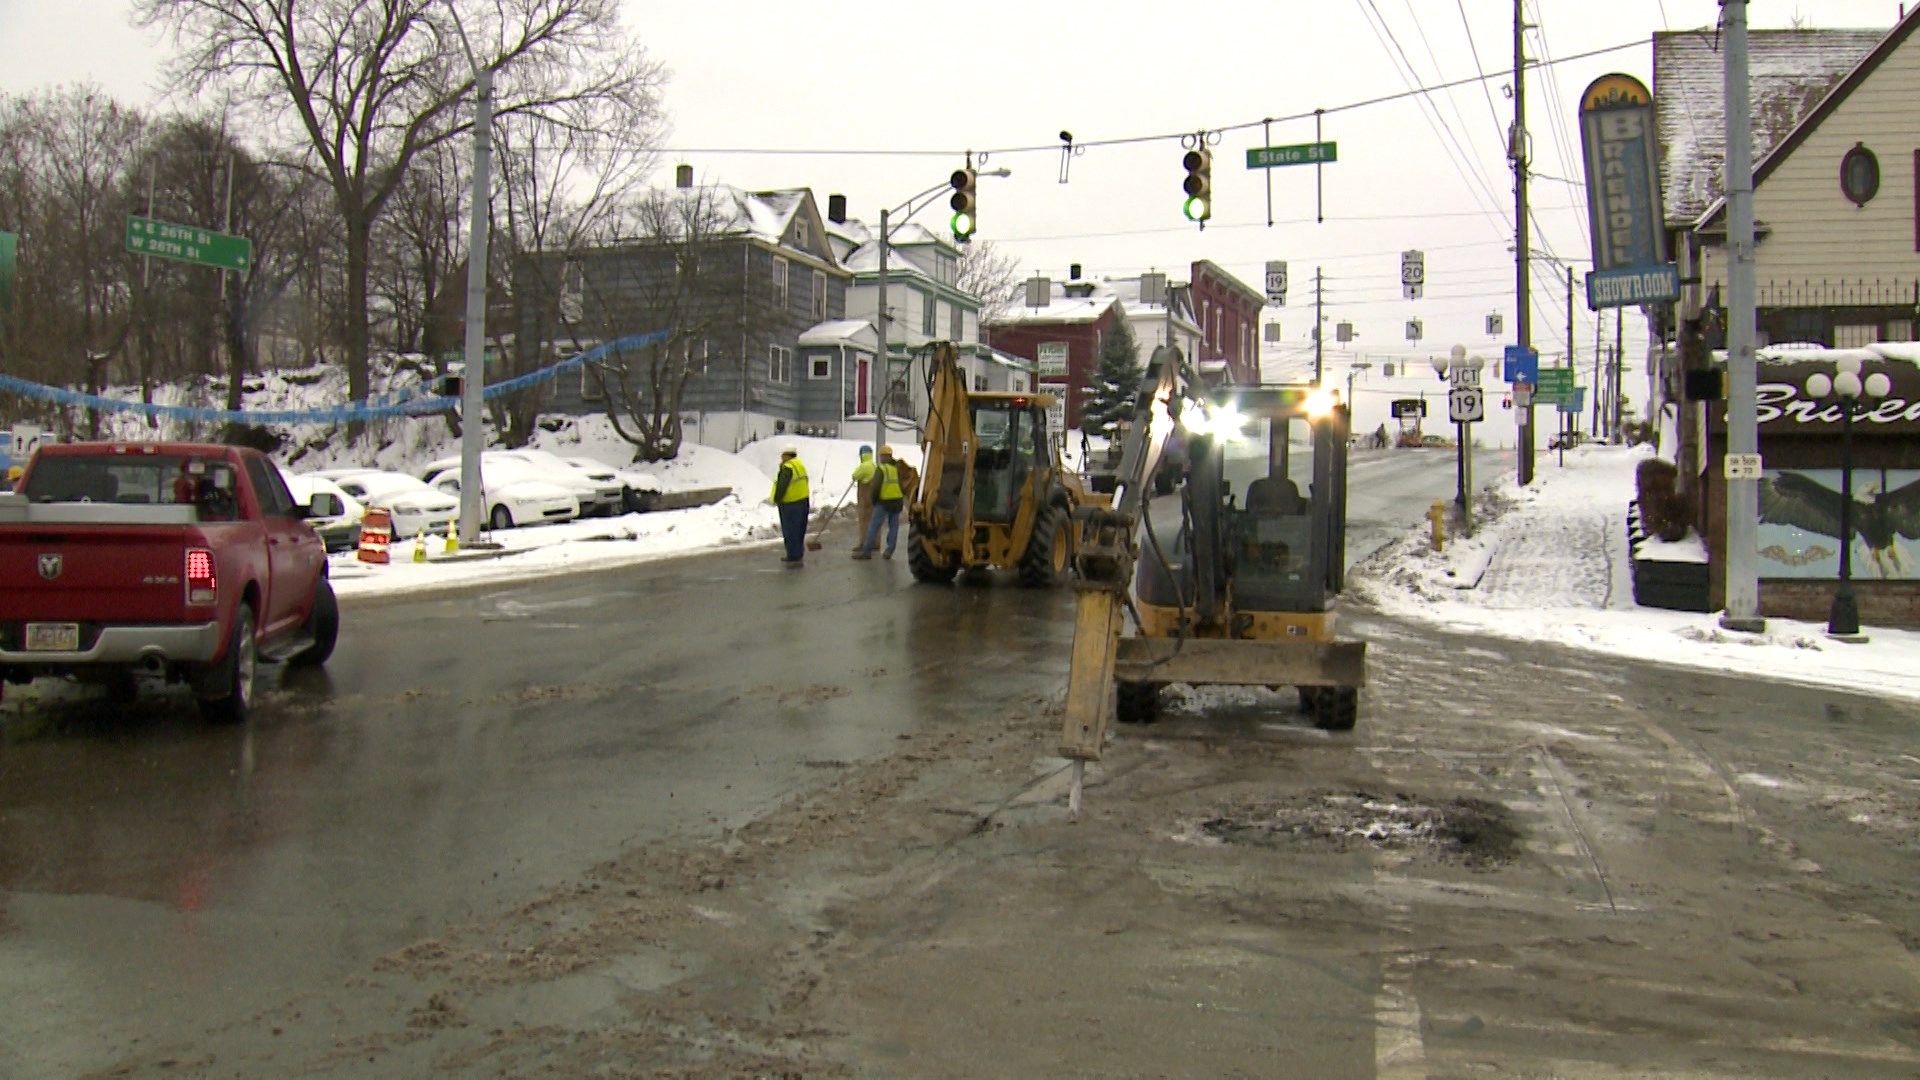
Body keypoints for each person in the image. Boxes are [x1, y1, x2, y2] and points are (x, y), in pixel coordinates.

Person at [852, 445, 906, 560]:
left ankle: (866, 551)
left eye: (881, 456)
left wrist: (874, 500)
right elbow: (901, 485)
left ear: (882, 456)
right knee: (893, 527)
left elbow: (875, 487)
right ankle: (889, 551)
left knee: (874, 526)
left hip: (883, 501)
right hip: (896, 501)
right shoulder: (896, 469)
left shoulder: (881, 469)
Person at [770, 444, 810, 566]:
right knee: (799, 529)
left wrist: (777, 499)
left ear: (786, 455)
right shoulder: (800, 465)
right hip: (803, 500)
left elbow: (782, 486)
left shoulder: (787, 467)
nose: (781, 458)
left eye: (782, 455)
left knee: (790, 530)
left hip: (790, 503)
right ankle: (798, 552)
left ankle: (793, 555)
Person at [849, 444, 876, 552]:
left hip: (864, 497)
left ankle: (864, 543)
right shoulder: (874, 465)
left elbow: (855, 475)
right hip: (873, 497)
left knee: (864, 520)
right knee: (873, 520)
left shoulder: (864, 466)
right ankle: (875, 543)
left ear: (862, 455)